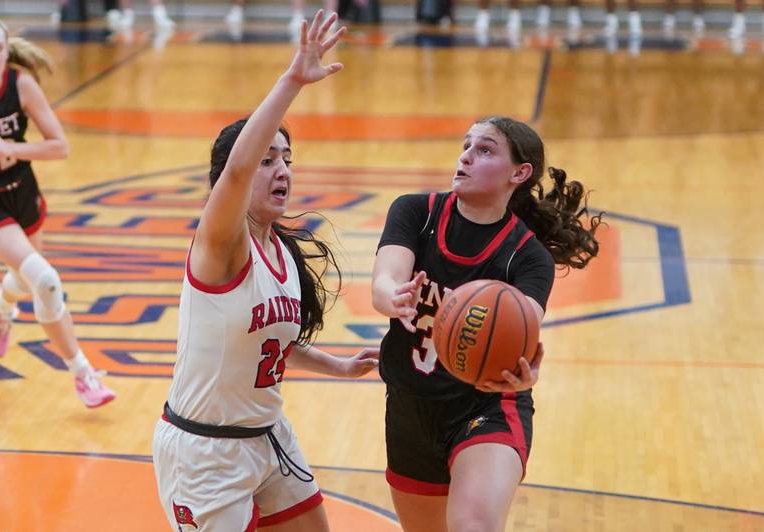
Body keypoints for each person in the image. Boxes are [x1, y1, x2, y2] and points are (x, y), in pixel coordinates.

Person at [152, 11, 379, 531]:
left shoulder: (281, 251)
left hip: (268, 435)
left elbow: (271, 342)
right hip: (204, 454)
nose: (282, 170)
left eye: (288, 159)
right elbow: (235, 168)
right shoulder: (221, 246)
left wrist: (339, 367)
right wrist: (292, 80)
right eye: (268, 159)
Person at [371, 117, 603, 531]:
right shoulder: (414, 212)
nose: (466, 156)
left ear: (519, 173)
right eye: (466, 145)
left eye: (485, 150)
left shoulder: (528, 257)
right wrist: (395, 297)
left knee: (473, 526)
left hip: (486, 405)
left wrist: (523, 368)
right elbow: (385, 281)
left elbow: (524, 328)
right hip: (409, 406)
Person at [0, 17, 116, 408]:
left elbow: (59, 146)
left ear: (7, 53)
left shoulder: (20, 85)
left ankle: (0, 303)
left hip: (23, 192)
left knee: (25, 281)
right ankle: (82, 375)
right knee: (44, 280)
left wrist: (9, 149)